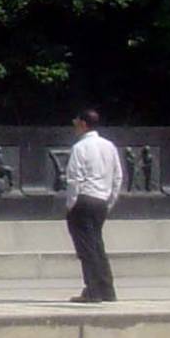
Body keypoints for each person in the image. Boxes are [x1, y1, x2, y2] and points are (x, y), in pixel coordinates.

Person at [62, 108, 122, 303]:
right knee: (97, 245)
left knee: (87, 249)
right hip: (101, 201)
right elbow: (117, 176)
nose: (74, 125)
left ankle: (93, 290)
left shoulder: (80, 148)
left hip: (84, 200)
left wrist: (71, 204)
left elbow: (74, 179)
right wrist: (109, 201)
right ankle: (107, 288)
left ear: (83, 124)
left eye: (76, 122)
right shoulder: (109, 146)